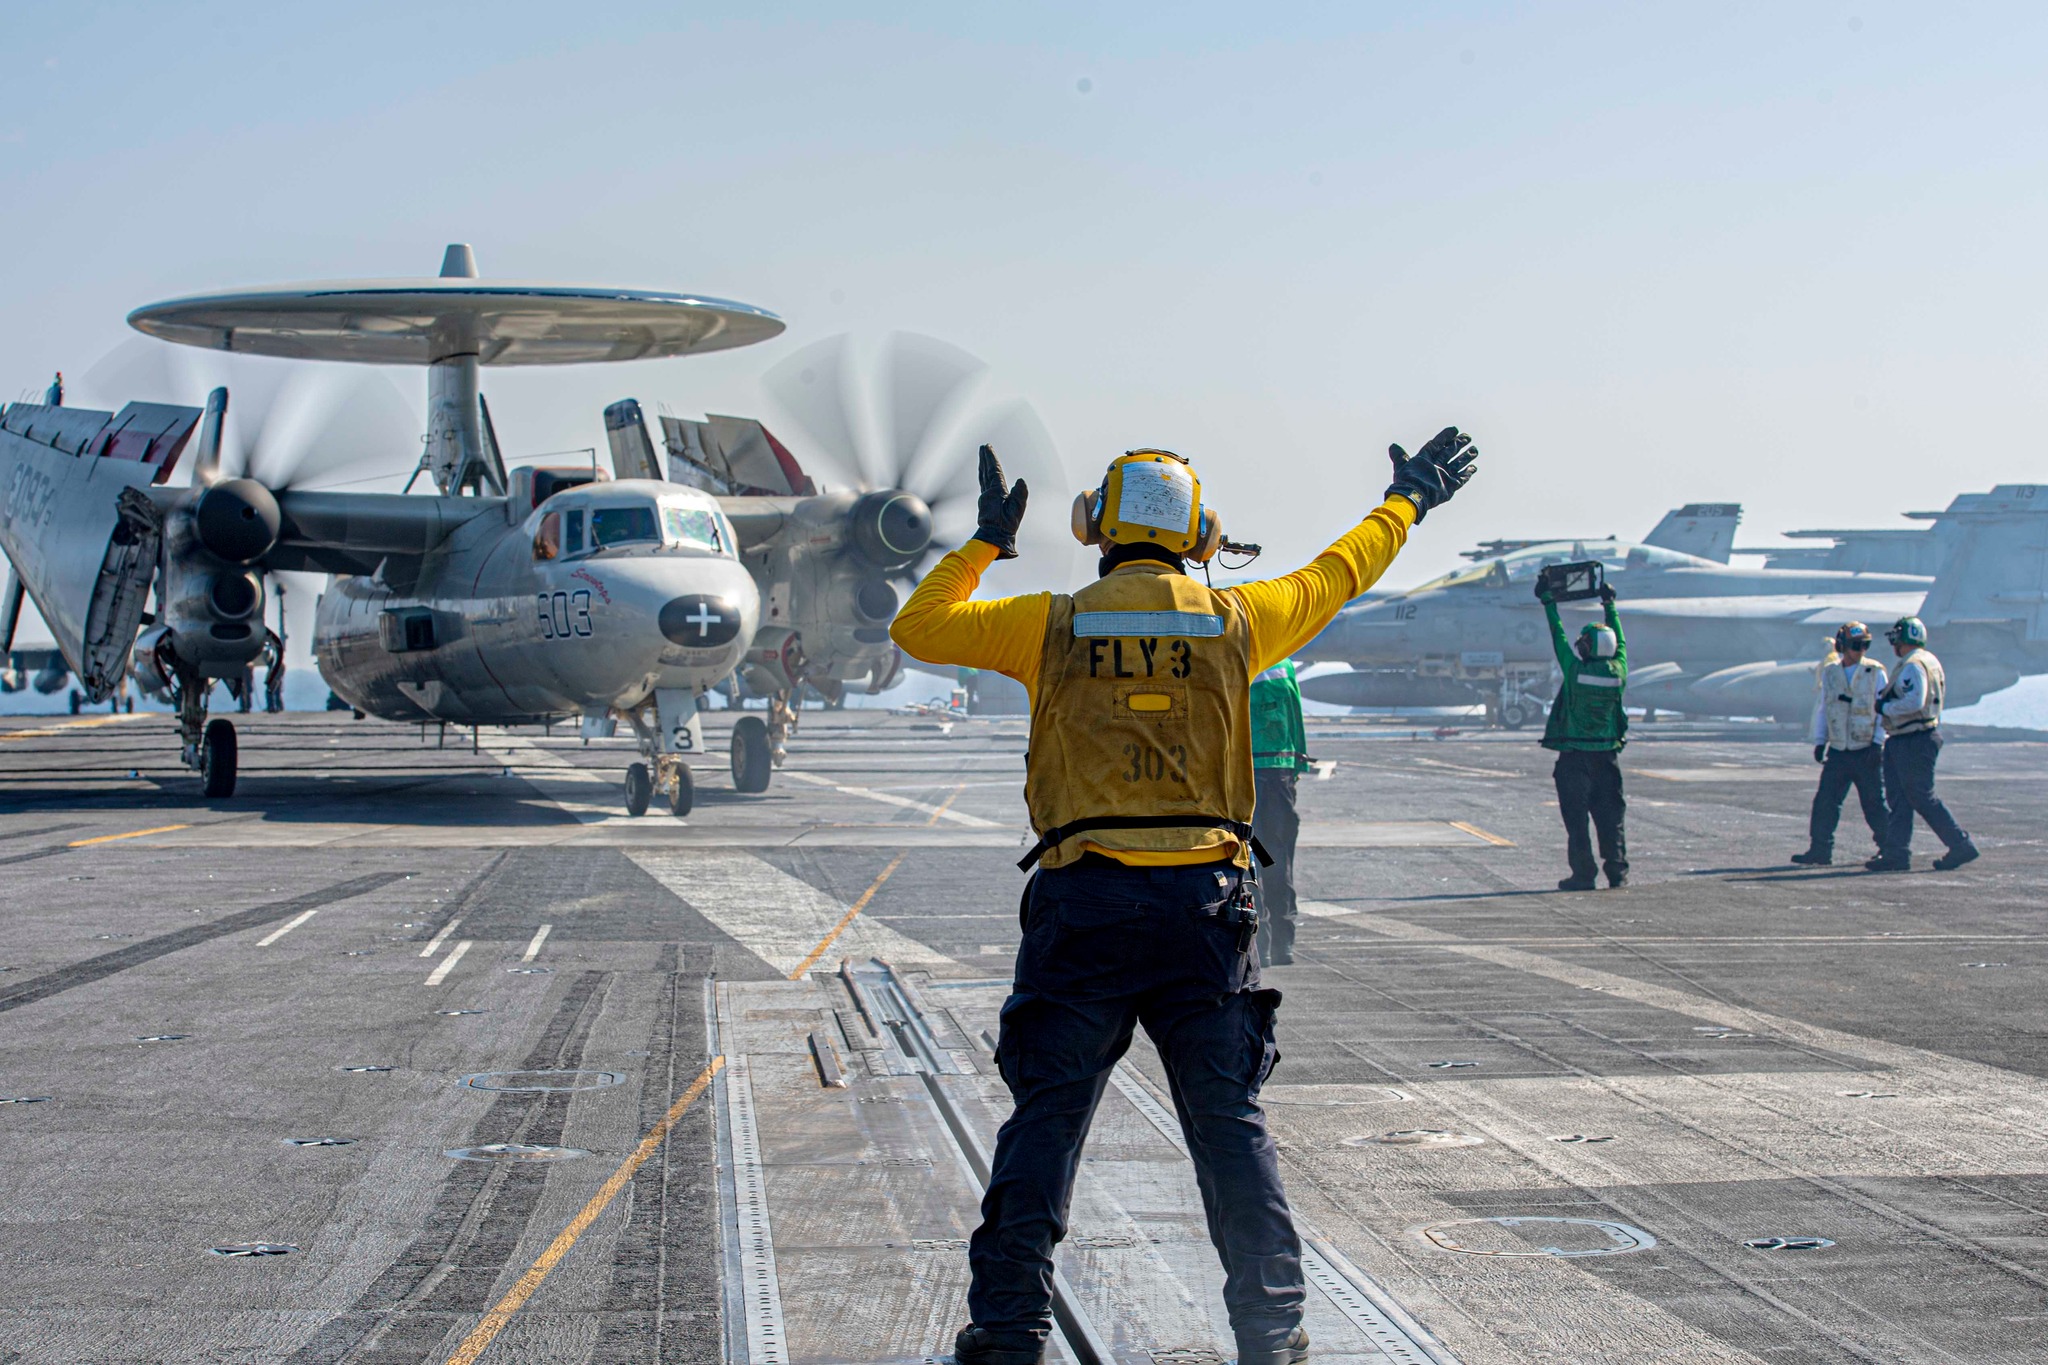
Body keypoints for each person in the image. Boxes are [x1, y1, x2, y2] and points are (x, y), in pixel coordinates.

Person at [891, 431, 1479, 1365]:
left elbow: (916, 627)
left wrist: (983, 546)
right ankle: (1272, 1336)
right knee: (1229, 1128)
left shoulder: (1048, 623)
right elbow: (1341, 570)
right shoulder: (1239, 620)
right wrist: (1406, 500)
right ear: (1201, 531)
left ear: (1096, 528)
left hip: (1082, 904)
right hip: (1206, 911)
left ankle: (1008, 1330)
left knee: (1045, 1121)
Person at [1868, 616, 1978, 872]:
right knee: (1900, 798)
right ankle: (1897, 853)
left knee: (1920, 796)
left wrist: (1885, 707)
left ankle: (1960, 843)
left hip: (1913, 739)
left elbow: (1914, 702)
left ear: (1902, 639)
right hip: (1910, 738)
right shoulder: (1928, 660)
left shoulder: (1912, 665)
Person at [1538, 580, 1627, 890]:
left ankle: (1583, 875)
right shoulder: (1619, 673)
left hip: (1575, 758)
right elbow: (1622, 645)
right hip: (1608, 757)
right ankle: (1617, 872)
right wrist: (1610, 604)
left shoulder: (1575, 673)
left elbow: (1558, 637)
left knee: (1577, 822)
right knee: (1611, 819)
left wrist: (1549, 602)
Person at [1791, 622, 1888, 866]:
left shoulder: (1876, 672)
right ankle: (1820, 850)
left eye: (1865, 645)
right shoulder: (1831, 672)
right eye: (1856, 646)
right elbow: (1825, 708)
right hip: (1838, 750)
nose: (1861, 651)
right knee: (1825, 802)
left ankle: (1891, 849)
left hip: (1865, 749)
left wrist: (1878, 743)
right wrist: (1820, 740)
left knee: (1874, 804)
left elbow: (1882, 711)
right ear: (1842, 646)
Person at [1249, 657, 1309, 966]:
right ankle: (1284, 943)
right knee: (1279, 856)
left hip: (1245, 777)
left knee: (1251, 857)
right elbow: (1296, 715)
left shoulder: (1235, 656)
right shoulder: (1284, 666)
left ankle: (1262, 942)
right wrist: (1298, 763)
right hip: (1281, 777)